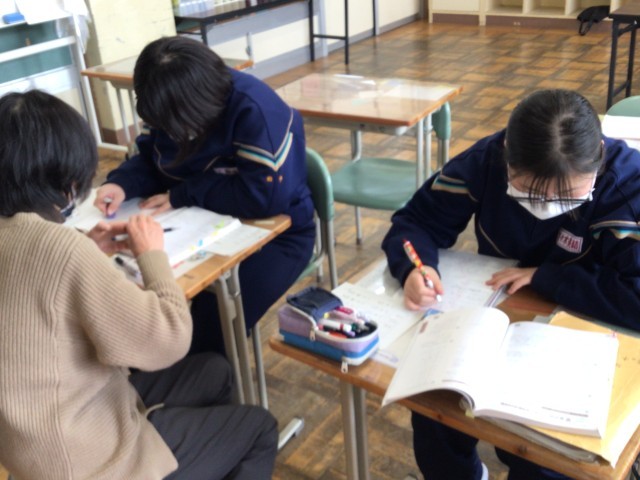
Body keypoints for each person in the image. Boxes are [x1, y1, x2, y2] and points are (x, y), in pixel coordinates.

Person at [0, 90, 277, 480]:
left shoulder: (31, 238)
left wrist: (87, 249)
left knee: (215, 370)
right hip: (84, 459)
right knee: (260, 429)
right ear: (66, 180)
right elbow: (168, 340)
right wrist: (152, 255)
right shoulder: (59, 247)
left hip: (35, 440)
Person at [381, 89, 640, 480]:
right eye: (530, 192)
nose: (548, 204)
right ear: (506, 156)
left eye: (567, 196)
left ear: (599, 157)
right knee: (433, 411)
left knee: (538, 453)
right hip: (496, 317)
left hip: (586, 332)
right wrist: (415, 268)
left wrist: (546, 277)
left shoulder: (629, 188)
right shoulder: (484, 161)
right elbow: (416, 222)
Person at [94, 36, 315, 355]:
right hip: (193, 224)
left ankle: (215, 379)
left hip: (277, 233)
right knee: (136, 300)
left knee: (211, 326)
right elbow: (150, 157)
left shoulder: (255, 110)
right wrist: (121, 184)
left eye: (178, 125)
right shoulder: (167, 104)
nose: (172, 133)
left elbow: (265, 197)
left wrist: (184, 194)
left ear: (199, 105)